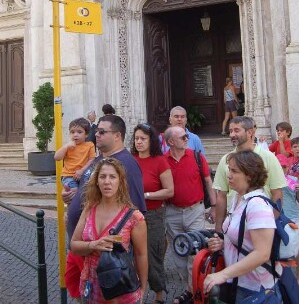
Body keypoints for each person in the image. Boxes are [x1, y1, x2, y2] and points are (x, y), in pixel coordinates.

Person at [63, 115, 146, 300]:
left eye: (101, 131)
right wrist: (72, 200)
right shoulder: (100, 159)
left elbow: (134, 215)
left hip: (111, 264)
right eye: (96, 131)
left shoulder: (127, 164)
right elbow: (90, 191)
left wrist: (142, 285)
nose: (96, 135)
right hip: (84, 253)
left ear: (117, 136)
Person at [204, 150, 282, 303]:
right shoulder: (238, 199)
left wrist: (223, 274)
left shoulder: (257, 205)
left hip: (257, 288)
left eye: (234, 171)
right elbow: (242, 237)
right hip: (240, 282)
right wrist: (224, 243)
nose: (229, 175)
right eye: (229, 169)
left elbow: (262, 253)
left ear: (250, 175)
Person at [71, 157, 148, 303]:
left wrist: (143, 288)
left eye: (112, 177)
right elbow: (74, 245)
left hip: (120, 290)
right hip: (91, 286)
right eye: (102, 177)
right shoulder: (89, 208)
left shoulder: (134, 217)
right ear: (97, 181)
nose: (107, 181)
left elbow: (141, 255)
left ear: (120, 181)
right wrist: (92, 245)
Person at [164, 126, 216, 304]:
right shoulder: (163, 161)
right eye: (183, 137)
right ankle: (191, 288)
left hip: (195, 210)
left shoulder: (196, 156)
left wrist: (214, 206)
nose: (187, 139)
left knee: (195, 252)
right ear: (171, 142)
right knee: (178, 252)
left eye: (186, 137)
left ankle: (194, 291)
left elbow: (208, 181)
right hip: (172, 212)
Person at [213, 116, 286, 232]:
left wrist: (272, 224)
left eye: (236, 130)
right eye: (230, 131)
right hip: (233, 225)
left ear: (250, 132)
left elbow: (277, 194)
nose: (232, 135)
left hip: (262, 224)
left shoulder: (268, 157)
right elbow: (221, 195)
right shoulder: (225, 160)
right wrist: (218, 228)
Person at [132, 123, 174, 304]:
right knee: (131, 255)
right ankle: (135, 294)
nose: (139, 142)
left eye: (143, 139)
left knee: (153, 253)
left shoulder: (160, 161)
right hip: (131, 215)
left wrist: (146, 195)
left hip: (153, 214)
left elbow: (169, 191)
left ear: (151, 141)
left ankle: (158, 295)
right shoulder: (130, 160)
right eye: (136, 139)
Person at [54, 118, 96, 190]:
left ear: (86, 134)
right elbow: (57, 157)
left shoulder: (90, 145)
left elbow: (92, 159)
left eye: (79, 132)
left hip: (84, 174)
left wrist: (82, 171)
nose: (75, 135)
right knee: (74, 192)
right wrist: (66, 147)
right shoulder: (68, 146)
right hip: (69, 176)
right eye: (72, 132)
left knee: (88, 191)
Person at [276, 154, 299, 281]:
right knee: (284, 251)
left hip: (294, 218)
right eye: (278, 167)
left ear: (288, 167)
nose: (281, 169)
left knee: (297, 251)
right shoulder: (271, 181)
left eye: (283, 167)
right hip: (281, 219)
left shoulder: (293, 181)